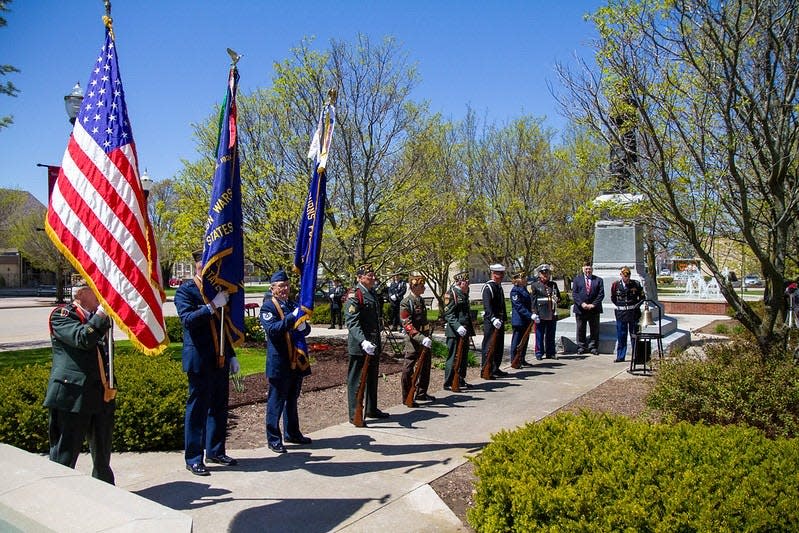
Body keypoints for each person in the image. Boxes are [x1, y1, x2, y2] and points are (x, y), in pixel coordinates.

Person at [44, 281, 116, 484]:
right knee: (64, 455)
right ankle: (60, 498)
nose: (102, 296)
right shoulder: (62, 315)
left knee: (102, 455)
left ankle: (105, 492)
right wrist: (102, 314)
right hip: (72, 396)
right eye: (97, 291)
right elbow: (82, 338)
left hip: (101, 393)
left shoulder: (99, 317)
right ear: (82, 293)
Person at [175, 249, 239, 476]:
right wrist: (212, 306)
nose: (209, 269)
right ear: (196, 266)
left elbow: (224, 325)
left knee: (219, 406)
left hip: (220, 355)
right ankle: (193, 457)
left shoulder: (217, 288)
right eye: (205, 265)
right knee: (197, 409)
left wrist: (231, 354)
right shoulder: (186, 290)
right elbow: (188, 320)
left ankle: (215, 450)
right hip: (199, 357)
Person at [260, 270, 312, 453]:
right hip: (279, 360)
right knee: (276, 401)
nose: (285, 289)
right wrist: (292, 317)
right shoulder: (268, 307)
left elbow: (304, 329)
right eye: (281, 286)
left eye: (287, 285)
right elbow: (273, 330)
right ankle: (273, 438)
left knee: (292, 398)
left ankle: (292, 433)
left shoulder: (292, 304)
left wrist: (305, 326)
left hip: (295, 359)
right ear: (272, 288)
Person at [345, 263, 389, 425]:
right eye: (369, 275)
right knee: (356, 380)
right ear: (359, 277)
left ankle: (371, 408)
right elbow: (352, 322)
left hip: (373, 343)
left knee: (372, 378)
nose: (373, 278)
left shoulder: (371, 293)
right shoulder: (355, 295)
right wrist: (362, 341)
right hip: (360, 345)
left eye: (373, 275)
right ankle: (354, 413)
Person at [399, 275, 434, 405]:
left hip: (424, 338)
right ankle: (407, 395)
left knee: (425, 367)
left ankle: (421, 393)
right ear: (414, 287)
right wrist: (421, 338)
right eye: (421, 286)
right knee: (408, 369)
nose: (424, 287)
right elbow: (407, 324)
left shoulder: (420, 300)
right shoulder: (406, 302)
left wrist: (427, 336)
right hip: (413, 340)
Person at [443, 271, 475, 389]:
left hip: (464, 330)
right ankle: (449, 381)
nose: (468, 284)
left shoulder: (464, 292)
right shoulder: (451, 294)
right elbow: (448, 314)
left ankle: (460, 379)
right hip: (454, 331)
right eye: (466, 282)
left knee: (463, 356)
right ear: (460, 282)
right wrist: (458, 326)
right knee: (453, 356)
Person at [610, 266, 645, 362]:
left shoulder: (636, 284)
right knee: (621, 336)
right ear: (621, 275)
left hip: (633, 313)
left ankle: (636, 356)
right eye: (624, 276)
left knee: (634, 335)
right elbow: (613, 297)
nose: (626, 278)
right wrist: (620, 305)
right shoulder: (615, 285)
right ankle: (620, 356)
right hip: (621, 313)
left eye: (628, 276)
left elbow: (642, 297)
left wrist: (636, 306)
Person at [572, 261, 605, 355]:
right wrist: (581, 303)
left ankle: (593, 347)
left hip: (594, 309)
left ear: (592, 269)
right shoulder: (577, 280)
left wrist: (593, 304)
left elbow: (601, 294)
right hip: (580, 309)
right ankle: (581, 347)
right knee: (580, 328)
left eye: (589, 269)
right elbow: (574, 293)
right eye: (586, 269)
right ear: (583, 269)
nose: (588, 270)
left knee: (594, 329)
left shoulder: (598, 280)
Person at [530, 264, 562, 360]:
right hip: (540, 313)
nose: (545, 275)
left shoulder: (553, 285)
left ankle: (550, 352)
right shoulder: (535, 285)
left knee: (551, 334)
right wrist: (534, 313)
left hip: (551, 312)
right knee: (539, 334)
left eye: (547, 273)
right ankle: (539, 353)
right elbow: (533, 300)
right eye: (543, 274)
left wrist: (557, 299)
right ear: (540, 275)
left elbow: (558, 297)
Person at [481, 264, 508, 378]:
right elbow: (487, 306)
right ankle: (486, 369)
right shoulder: (489, 287)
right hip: (491, 321)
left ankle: (495, 368)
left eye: (502, 274)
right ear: (493, 274)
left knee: (498, 346)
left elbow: (502, 305)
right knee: (489, 345)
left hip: (499, 320)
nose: (501, 276)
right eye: (498, 274)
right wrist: (492, 318)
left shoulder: (498, 286)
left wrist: (504, 318)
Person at [509, 270, 534, 368]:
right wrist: (529, 315)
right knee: (517, 341)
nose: (525, 280)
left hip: (526, 319)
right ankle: (514, 360)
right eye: (523, 278)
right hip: (519, 319)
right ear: (517, 280)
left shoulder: (524, 289)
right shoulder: (515, 290)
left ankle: (521, 359)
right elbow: (518, 306)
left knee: (524, 340)